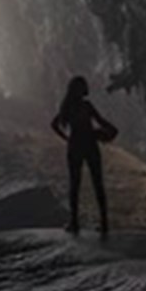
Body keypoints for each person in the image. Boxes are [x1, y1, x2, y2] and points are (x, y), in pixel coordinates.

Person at [51, 74, 116, 237]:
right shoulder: (86, 106)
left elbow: (54, 125)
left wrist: (66, 138)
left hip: (75, 146)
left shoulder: (67, 106)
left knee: (75, 184)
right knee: (97, 183)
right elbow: (101, 121)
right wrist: (111, 131)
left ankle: (74, 222)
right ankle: (104, 223)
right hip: (90, 144)